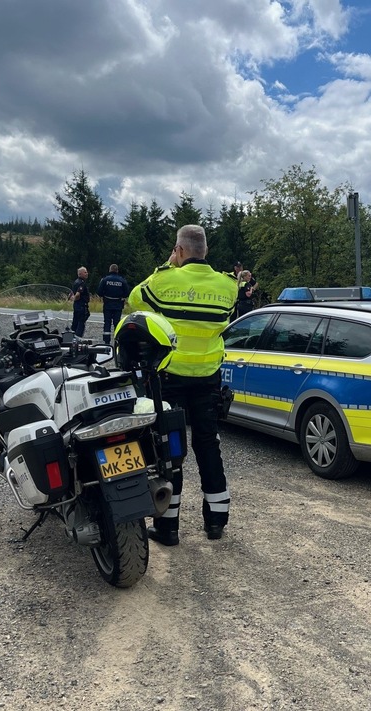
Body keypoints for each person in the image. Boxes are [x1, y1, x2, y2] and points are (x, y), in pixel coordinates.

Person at [129, 225, 238, 545]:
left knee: (169, 450)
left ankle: (168, 528)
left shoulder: (164, 280)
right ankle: (216, 521)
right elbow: (226, 317)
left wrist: (165, 266)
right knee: (208, 445)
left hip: (170, 379)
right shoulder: (227, 286)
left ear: (178, 250)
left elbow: (135, 301)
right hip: (208, 379)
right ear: (205, 251)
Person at [96, 264, 130, 344]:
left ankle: (106, 341)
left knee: (107, 322)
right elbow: (127, 293)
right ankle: (117, 340)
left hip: (107, 304)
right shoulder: (122, 280)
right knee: (117, 323)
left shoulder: (105, 280)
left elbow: (99, 292)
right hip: (118, 305)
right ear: (117, 270)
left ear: (109, 270)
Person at [69, 266, 90, 337]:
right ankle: (78, 338)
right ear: (80, 274)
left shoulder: (75, 282)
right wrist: (75, 299)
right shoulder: (81, 283)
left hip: (76, 305)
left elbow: (71, 293)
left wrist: (71, 299)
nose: (87, 273)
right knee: (81, 322)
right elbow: (78, 294)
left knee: (75, 321)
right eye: (85, 272)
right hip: (81, 305)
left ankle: (71, 336)